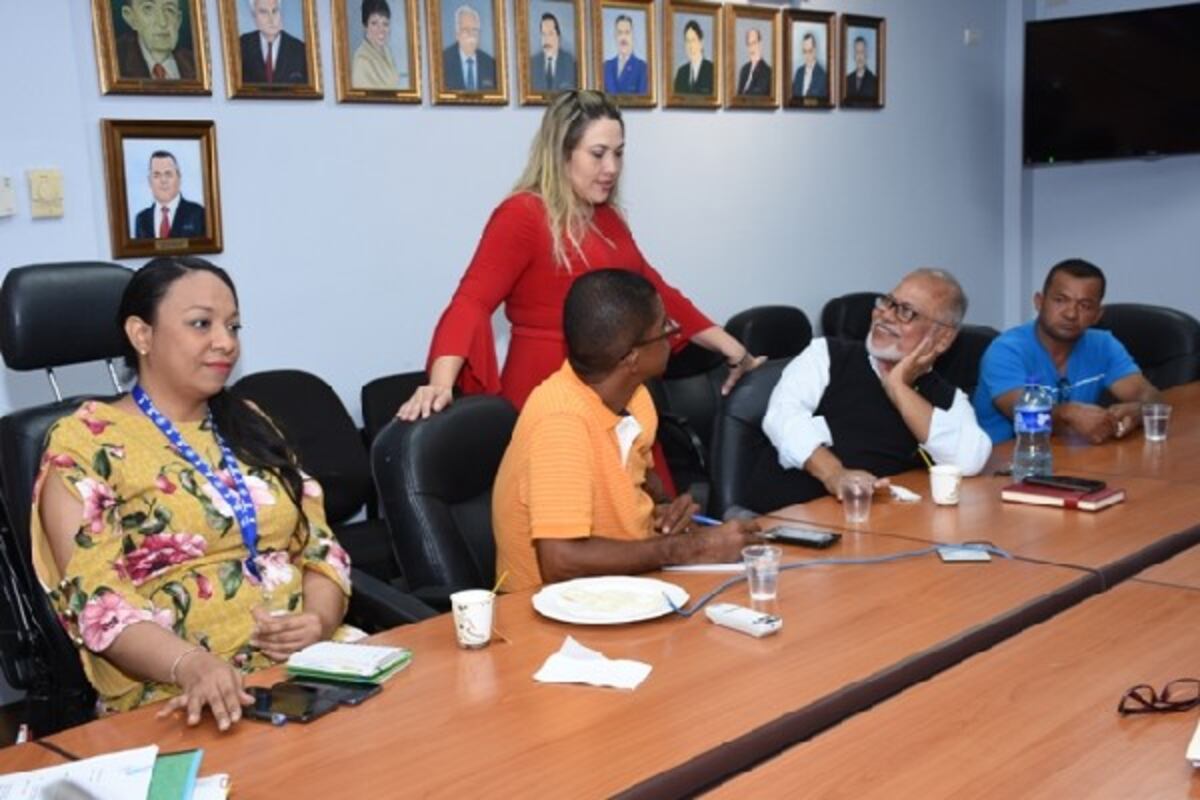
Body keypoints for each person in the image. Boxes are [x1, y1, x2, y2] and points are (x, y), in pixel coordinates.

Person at [32, 257, 352, 726]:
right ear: (142, 336)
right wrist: (192, 665)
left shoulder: (250, 423)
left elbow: (321, 546)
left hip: (308, 672)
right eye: (201, 324)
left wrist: (319, 621)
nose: (226, 342)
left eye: (233, 326)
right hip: (179, 694)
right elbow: (100, 603)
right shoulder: (84, 444)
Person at [397, 89, 762, 423]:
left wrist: (734, 350)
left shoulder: (608, 217)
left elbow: (657, 295)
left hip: (615, 392)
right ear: (562, 152)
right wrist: (440, 383)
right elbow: (470, 302)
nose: (612, 169)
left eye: (619, 153)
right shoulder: (523, 214)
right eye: (598, 154)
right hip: (547, 391)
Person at [493, 270, 761, 592]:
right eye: (663, 327)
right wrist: (692, 549)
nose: (673, 334)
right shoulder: (560, 419)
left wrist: (665, 512)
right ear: (632, 357)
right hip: (549, 618)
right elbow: (560, 561)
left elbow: (637, 487)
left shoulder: (635, 396)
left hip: (624, 592)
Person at [763, 269, 992, 505]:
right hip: (786, 516)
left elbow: (970, 460)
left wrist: (897, 386)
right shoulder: (825, 355)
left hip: (876, 525)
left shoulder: (948, 398)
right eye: (887, 302)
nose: (886, 315)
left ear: (942, 338)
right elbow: (782, 417)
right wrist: (835, 474)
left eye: (906, 311)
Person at [974, 259, 1161, 444]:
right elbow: (1025, 415)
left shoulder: (1104, 345)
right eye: (1060, 300)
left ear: (1097, 315)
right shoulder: (1006, 350)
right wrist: (1068, 414)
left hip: (1068, 458)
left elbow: (1148, 394)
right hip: (1002, 462)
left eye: (1085, 306)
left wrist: (1139, 410)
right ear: (1039, 302)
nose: (1071, 314)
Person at [115, 0, 197, 80]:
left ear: (178, 20)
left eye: (169, 9)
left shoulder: (195, 64)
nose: (162, 22)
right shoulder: (116, 62)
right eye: (148, 8)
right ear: (130, 17)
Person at [133, 151, 206, 240]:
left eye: (168, 174)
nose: (163, 180)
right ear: (149, 181)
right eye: (157, 175)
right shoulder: (141, 219)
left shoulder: (198, 214)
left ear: (179, 178)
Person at [239, 0, 309, 85]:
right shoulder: (241, 45)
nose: (271, 19)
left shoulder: (300, 50)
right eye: (264, 12)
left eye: (275, 11)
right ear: (254, 17)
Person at [442, 5, 497, 91]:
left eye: (474, 30)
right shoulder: (443, 61)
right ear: (457, 34)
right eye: (465, 30)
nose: (470, 34)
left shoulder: (490, 64)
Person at [352, 0, 403, 89]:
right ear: (365, 26)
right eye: (374, 23)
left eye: (385, 24)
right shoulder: (362, 61)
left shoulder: (387, 52)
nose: (381, 30)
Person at [530, 12, 577, 92]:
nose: (546, 39)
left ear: (558, 37)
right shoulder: (533, 62)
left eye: (550, 34)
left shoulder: (569, 61)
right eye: (543, 34)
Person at [603, 14, 647, 95]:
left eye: (627, 32)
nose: (623, 37)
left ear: (632, 36)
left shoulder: (642, 67)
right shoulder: (606, 67)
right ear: (615, 36)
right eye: (620, 33)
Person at [673, 20, 713, 95]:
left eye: (693, 40)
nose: (690, 46)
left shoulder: (712, 70)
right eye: (687, 41)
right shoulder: (681, 73)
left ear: (701, 43)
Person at [792, 31, 827, 99]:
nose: (807, 56)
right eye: (804, 51)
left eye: (810, 51)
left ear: (815, 50)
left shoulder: (822, 76)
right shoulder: (799, 72)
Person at [736, 28, 771, 96]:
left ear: (760, 44)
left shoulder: (767, 72)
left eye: (754, 43)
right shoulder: (744, 69)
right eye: (749, 44)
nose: (751, 48)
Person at [845, 35, 876, 99]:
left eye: (862, 52)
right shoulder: (847, 80)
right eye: (857, 52)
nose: (859, 57)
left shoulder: (874, 80)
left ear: (866, 54)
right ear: (854, 55)